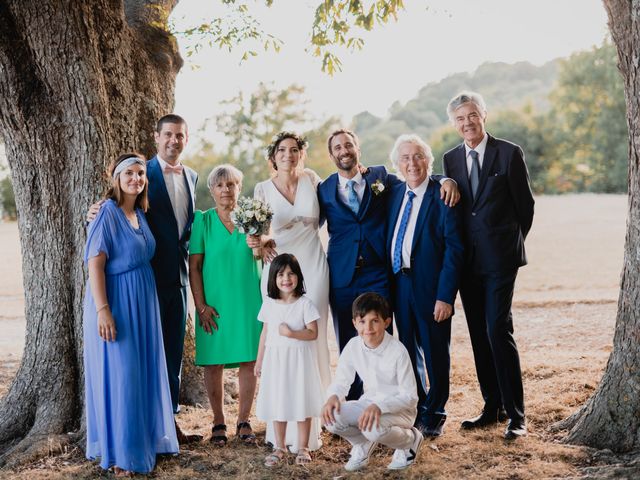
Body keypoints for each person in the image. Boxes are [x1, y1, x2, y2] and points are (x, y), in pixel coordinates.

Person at [317, 128, 460, 400]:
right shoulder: (324, 189)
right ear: (331, 154)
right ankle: (353, 404)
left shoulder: (381, 178)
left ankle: (393, 401)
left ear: (357, 148)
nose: (344, 151)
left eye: (348, 145)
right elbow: (305, 222)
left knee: (388, 342)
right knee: (349, 340)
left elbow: (416, 178)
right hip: (342, 277)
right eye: (337, 147)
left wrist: (446, 179)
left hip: (379, 275)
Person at [87, 114, 200, 442]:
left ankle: (170, 424)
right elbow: (117, 206)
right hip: (144, 280)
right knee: (146, 356)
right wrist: (94, 210)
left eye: (180, 135)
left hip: (177, 279)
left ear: (186, 138)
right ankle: (146, 427)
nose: (173, 141)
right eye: (167, 135)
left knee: (172, 354)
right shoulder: (141, 172)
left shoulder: (191, 176)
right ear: (156, 137)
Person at [442, 91, 535, 439]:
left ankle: (517, 415)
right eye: (460, 118)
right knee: (480, 334)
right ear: (454, 123)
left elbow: (525, 206)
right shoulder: (450, 159)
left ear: (484, 115)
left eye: (472, 115)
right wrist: (445, 180)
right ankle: (492, 406)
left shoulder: (509, 153)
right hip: (468, 262)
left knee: (498, 329)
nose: (467, 123)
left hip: (501, 259)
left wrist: (508, 244)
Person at [83, 153, 178, 476]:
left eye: (141, 174)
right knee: (122, 377)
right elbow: (94, 263)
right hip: (117, 303)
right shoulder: (107, 213)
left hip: (143, 303)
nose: (136, 179)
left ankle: (141, 442)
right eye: (130, 174)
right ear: (118, 179)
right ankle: (121, 454)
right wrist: (103, 310)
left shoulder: (139, 213)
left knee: (141, 375)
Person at [248, 131, 330, 450]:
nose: (288, 154)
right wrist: (261, 244)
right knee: (281, 336)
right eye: (281, 150)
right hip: (280, 269)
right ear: (273, 157)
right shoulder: (262, 189)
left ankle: (319, 417)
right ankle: (282, 426)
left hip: (313, 263)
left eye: (294, 149)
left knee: (316, 336)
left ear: (301, 154)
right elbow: (256, 243)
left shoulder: (313, 180)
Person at [386, 134, 464, 438]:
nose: (412, 163)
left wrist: (445, 296)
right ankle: (419, 407)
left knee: (435, 351)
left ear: (428, 161)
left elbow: (455, 251)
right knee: (407, 349)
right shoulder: (394, 193)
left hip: (432, 288)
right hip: (399, 283)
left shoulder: (442, 195)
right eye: (405, 158)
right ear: (398, 165)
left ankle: (436, 412)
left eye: (418, 156)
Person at [188, 164, 262, 447]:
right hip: (214, 303)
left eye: (231, 184)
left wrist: (263, 241)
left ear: (238, 188)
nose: (226, 190)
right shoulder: (202, 222)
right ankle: (218, 420)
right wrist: (201, 304)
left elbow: (264, 250)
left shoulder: (252, 218)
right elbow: (194, 266)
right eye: (220, 185)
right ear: (212, 190)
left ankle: (244, 420)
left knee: (249, 359)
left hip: (247, 299)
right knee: (213, 361)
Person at [322, 292, 422, 472]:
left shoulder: (398, 351)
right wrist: (333, 396)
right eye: (362, 321)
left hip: (401, 410)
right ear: (354, 323)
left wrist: (380, 406)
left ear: (386, 322)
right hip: (368, 404)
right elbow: (341, 380)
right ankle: (362, 445)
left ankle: (409, 441)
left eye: (374, 321)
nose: (368, 327)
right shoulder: (353, 346)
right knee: (331, 418)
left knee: (372, 429)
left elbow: (410, 397)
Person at [255, 254, 324, 467]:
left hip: (299, 361)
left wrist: (291, 334)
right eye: (281, 274)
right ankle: (280, 446)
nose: (286, 279)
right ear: (273, 278)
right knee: (279, 400)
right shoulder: (270, 303)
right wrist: (259, 361)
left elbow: (313, 333)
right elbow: (264, 334)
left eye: (291, 274)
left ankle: (303, 447)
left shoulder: (305, 304)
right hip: (276, 361)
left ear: (298, 277)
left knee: (301, 399)